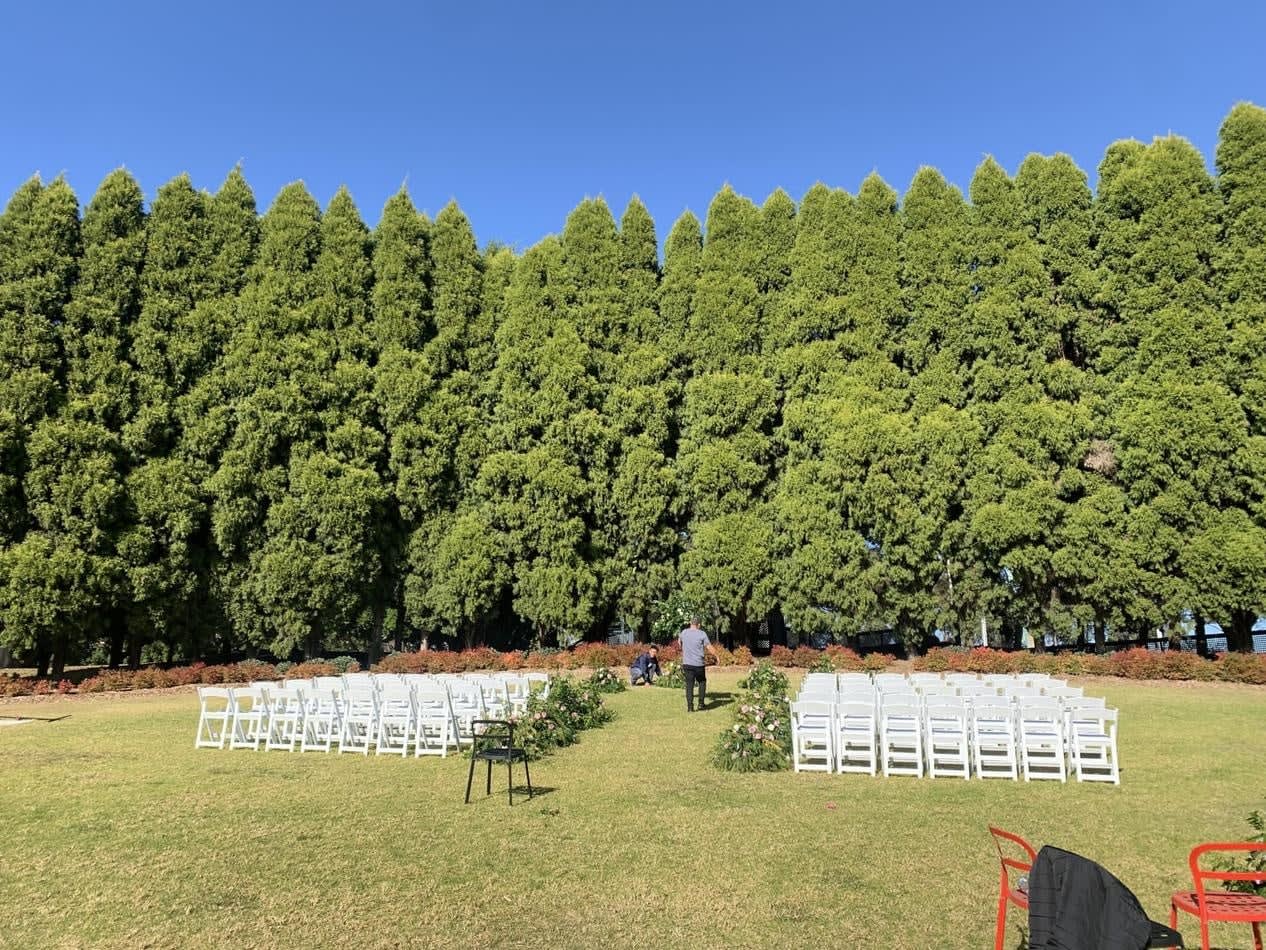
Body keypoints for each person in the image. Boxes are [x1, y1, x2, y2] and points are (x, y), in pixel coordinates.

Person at [679, 616, 718, 712]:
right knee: (702, 681)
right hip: (698, 664)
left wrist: (684, 648)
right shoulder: (702, 634)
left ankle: (690, 707)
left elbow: (679, 642)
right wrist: (717, 656)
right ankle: (701, 704)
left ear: (690, 623)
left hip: (687, 663)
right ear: (699, 624)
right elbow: (709, 647)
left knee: (689, 685)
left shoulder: (684, 632)